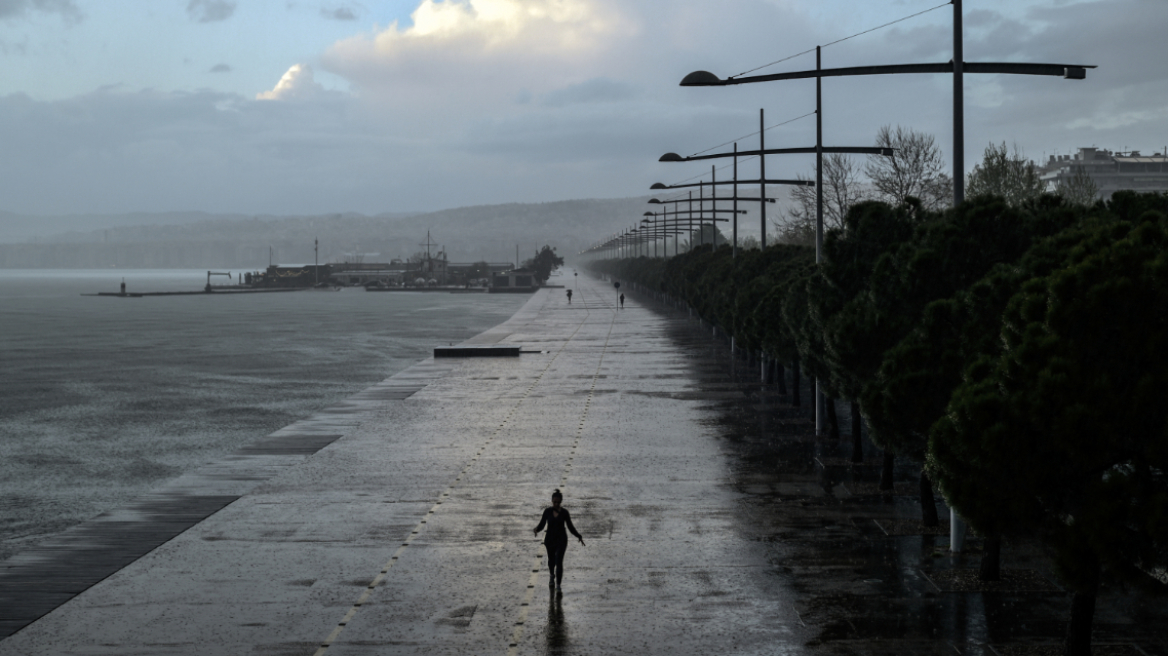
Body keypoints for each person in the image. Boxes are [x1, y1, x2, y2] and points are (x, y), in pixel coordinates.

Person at [533, 489, 584, 589]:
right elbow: (542, 524)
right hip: (550, 540)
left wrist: (578, 536)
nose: (556, 504)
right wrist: (536, 530)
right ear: (552, 501)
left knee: (559, 561)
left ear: (561, 501)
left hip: (561, 540)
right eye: (554, 502)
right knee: (551, 561)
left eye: (558, 502)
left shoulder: (565, 513)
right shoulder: (547, 512)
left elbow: (570, 526)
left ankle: (558, 585)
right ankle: (552, 575)